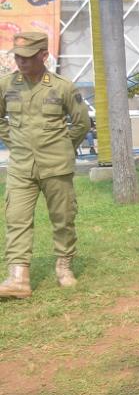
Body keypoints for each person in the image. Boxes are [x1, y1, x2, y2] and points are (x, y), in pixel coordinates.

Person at [0, 32, 89, 298]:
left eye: (27, 57)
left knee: (62, 219)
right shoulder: (6, 85)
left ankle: (64, 265)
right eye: (17, 57)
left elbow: (82, 123)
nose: (21, 62)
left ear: (43, 55)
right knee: (16, 219)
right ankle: (18, 277)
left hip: (56, 167)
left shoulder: (63, 87)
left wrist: (61, 146)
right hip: (21, 167)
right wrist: (14, 142)